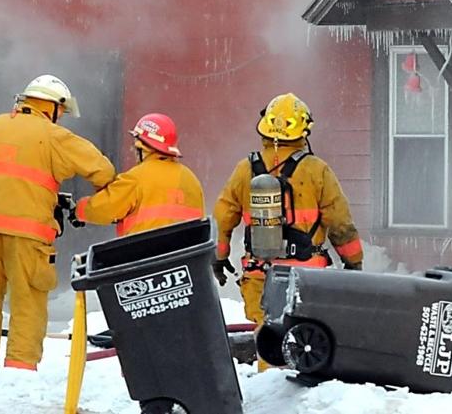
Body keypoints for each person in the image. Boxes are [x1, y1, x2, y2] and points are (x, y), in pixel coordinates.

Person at [0, 75, 115, 375]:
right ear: (53, 107)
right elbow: (104, 171)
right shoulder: (55, 136)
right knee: (28, 303)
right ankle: (19, 374)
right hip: (28, 235)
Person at [212, 94, 363, 363]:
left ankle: (269, 383)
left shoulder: (245, 169)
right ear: (304, 130)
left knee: (268, 346)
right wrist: (353, 263)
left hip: (260, 275)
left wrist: (220, 258)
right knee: (306, 345)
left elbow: (223, 217)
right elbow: (340, 223)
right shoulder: (317, 170)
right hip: (306, 279)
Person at [72, 113, 205, 236]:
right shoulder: (192, 180)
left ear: (143, 149)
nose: (133, 151)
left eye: (136, 148)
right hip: (188, 252)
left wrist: (79, 210)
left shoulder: (136, 178)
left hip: (146, 251)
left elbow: (105, 208)